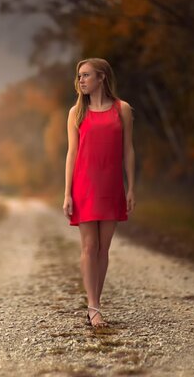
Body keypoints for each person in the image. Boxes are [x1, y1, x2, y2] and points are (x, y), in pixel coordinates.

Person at [62, 58, 136, 328]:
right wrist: (67, 193)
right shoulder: (76, 112)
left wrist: (132, 188)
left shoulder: (122, 109)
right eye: (79, 76)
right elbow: (71, 154)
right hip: (84, 185)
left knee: (104, 248)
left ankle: (96, 304)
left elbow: (129, 150)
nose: (81, 80)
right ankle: (93, 308)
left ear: (102, 77)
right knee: (89, 247)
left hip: (111, 185)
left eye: (86, 75)